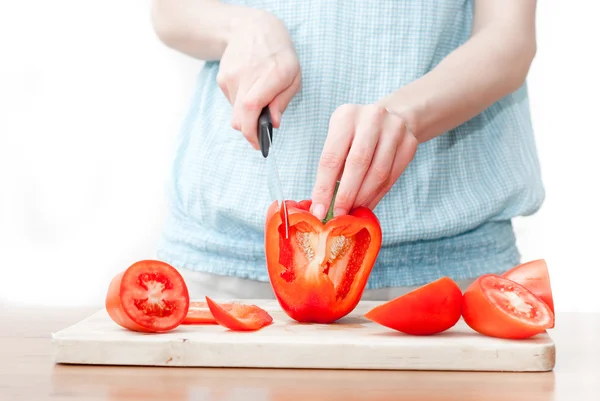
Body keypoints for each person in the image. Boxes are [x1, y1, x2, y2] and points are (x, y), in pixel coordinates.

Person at [149, 0, 543, 301]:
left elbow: (509, 39)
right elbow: (170, 10)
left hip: (446, 267)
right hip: (222, 262)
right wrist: (242, 26)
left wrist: (406, 115)